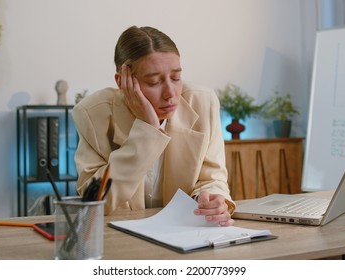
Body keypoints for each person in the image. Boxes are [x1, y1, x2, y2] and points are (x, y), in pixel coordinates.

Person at [72, 25, 235, 226]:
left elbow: (213, 177)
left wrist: (211, 200)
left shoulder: (202, 103)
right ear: (122, 82)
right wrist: (147, 130)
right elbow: (94, 202)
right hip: (120, 241)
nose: (170, 93)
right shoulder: (92, 114)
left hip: (182, 234)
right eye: (154, 82)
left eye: (176, 78)